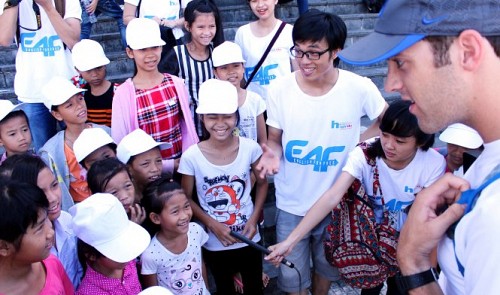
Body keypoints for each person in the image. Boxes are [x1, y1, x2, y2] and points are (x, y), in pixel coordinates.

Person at [337, 0, 500, 294]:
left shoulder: (494, 215)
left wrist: (412, 261)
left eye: (400, 63)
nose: (390, 84)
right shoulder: (488, 163)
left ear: (468, 52)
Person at [256, 10, 388, 295]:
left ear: (336, 51)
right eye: (299, 51)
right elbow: (275, 138)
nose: (304, 61)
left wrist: (360, 144)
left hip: (338, 202)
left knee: (326, 272)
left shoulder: (358, 87)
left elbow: (387, 122)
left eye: (314, 53)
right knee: (292, 280)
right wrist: (272, 154)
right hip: (292, 202)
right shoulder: (280, 89)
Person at [266, 100, 446, 294]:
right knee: (370, 289)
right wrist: (289, 241)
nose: (389, 145)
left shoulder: (432, 164)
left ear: (420, 141)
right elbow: (332, 196)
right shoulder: (364, 154)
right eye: (385, 135)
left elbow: (423, 215)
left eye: (400, 141)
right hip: (369, 243)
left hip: (406, 240)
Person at [178, 79, 268, 294]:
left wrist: (254, 219)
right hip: (215, 241)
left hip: (249, 237)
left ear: (236, 116)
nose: (220, 123)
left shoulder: (250, 149)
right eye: (212, 117)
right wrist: (212, 224)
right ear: (202, 118)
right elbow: (186, 198)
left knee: (254, 288)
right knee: (225, 288)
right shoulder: (191, 157)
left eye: (227, 116)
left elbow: (262, 183)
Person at [112, 17, 198, 176]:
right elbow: (121, 141)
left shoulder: (176, 84)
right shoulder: (123, 94)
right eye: (143, 49)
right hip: (146, 175)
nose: (150, 55)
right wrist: (167, 165)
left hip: (182, 167)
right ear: (130, 52)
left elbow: (187, 128)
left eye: (154, 47)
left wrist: (186, 161)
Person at [0, 0, 81, 152]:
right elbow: (4, 39)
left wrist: (48, 7)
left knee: (80, 147)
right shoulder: (11, 3)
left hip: (66, 89)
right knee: (44, 152)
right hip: (32, 92)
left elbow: (73, 40)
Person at [0, 154, 84, 288]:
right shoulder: (26, 252)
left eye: (54, 185)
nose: (52, 198)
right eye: (41, 192)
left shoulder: (67, 220)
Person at [39, 76, 110, 204]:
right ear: (57, 114)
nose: (79, 106)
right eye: (69, 105)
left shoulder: (105, 132)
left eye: (80, 99)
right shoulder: (52, 151)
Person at [0, 180, 74, 295]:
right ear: (4, 246)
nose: (51, 232)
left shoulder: (51, 264)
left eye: (46, 219)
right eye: (39, 228)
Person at [163, 0, 225, 137]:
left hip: (217, 128)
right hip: (188, 129)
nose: (207, 32)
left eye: (211, 26)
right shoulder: (177, 54)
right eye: (201, 27)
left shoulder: (219, 53)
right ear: (188, 26)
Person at [70, 193, 151, 294]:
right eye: (117, 249)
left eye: (126, 242)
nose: (126, 251)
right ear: (91, 255)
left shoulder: (128, 262)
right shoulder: (89, 292)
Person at [140, 177, 210, 294]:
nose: (184, 216)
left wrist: (207, 290)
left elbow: (200, 263)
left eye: (186, 206)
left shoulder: (195, 231)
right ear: (156, 218)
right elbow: (152, 291)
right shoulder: (151, 254)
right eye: (175, 211)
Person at [234, 0, 297, 102]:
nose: (260, 5)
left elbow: (297, 71)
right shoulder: (242, 33)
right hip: (253, 103)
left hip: (283, 101)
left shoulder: (289, 31)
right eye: (254, 1)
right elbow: (239, 70)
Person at [212, 41, 267, 144]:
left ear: (243, 68)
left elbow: (262, 140)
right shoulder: (212, 102)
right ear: (215, 72)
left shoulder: (255, 100)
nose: (231, 72)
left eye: (236, 66)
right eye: (224, 68)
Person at [122, 0, 192, 59]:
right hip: (145, 41)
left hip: (174, 39)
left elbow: (190, 16)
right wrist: (148, 22)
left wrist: (175, 23)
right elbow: (127, 18)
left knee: (174, 73)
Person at [87, 157, 146, 224]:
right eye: (113, 192)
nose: (124, 196)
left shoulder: (146, 207)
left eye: (128, 186)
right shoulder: (99, 224)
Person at [71, 39, 115, 127]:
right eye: (88, 70)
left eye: (98, 68)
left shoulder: (117, 92)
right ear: (77, 70)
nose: (94, 74)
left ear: (105, 66)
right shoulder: (76, 89)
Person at [116, 128, 171, 196]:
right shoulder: (125, 201)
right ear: (128, 169)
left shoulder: (167, 192)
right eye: (145, 164)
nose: (155, 169)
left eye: (158, 161)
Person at [0, 100, 32, 165]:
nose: (22, 137)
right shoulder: (3, 170)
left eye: (25, 130)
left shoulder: (41, 161)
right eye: (12, 134)